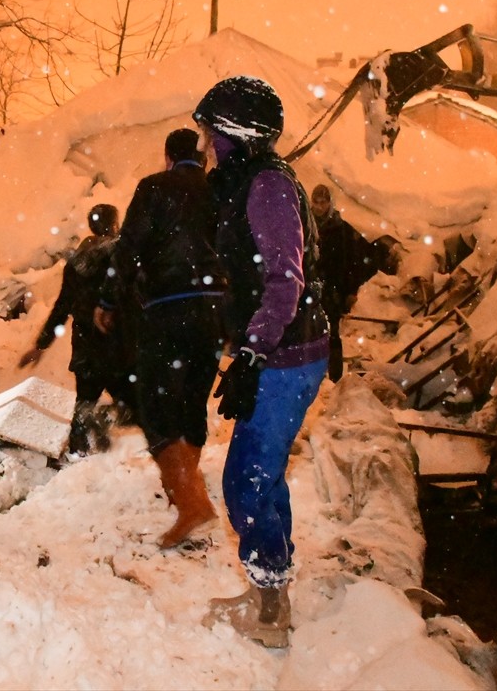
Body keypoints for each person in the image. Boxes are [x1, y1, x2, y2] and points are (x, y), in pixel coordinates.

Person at [194, 76, 329, 648]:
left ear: (234, 135)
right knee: (263, 473)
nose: (203, 147)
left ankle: (269, 610)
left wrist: (253, 352)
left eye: (209, 135)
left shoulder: (268, 185)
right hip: (284, 351)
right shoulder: (251, 181)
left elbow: (284, 280)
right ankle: (272, 590)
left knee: (244, 481)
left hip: (286, 356)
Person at [96, 128, 228, 549]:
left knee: (153, 405)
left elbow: (129, 247)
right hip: (213, 311)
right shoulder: (216, 192)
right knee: (192, 401)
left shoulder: (154, 188)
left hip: (169, 307)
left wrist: (108, 298)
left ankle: (191, 502)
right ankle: (185, 492)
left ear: (169, 156)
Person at [19, 204, 136, 457]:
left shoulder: (77, 263)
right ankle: (106, 418)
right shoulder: (122, 256)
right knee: (135, 407)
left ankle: (77, 454)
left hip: (86, 347)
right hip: (117, 346)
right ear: (115, 224)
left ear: (91, 225)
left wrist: (41, 345)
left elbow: (62, 307)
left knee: (84, 405)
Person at [310, 184, 375, 381]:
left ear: (330, 203)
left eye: (324, 202)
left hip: (332, 291)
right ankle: (312, 375)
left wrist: (350, 290)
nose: (320, 206)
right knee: (308, 335)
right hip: (309, 290)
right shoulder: (306, 225)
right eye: (317, 202)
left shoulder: (341, 229)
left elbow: (352, 262)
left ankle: (334, 378)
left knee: (332, 336)